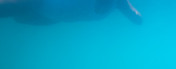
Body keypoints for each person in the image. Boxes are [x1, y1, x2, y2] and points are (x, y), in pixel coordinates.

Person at [0, 0, 142, 25]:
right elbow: (137, 19)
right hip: (48, 10)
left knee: (20, 15)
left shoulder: (122, 3)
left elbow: (137, 19)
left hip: (50, 15)